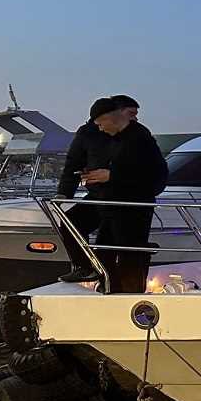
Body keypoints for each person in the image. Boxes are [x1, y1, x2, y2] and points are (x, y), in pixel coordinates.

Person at [85, 96, 168, 293]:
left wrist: (112, 176)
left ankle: (128, 293)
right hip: (115, 205)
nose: (99, 128)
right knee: (104, 250)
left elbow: (151, 173)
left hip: (133, 207)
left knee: (129, 253)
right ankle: (110, 289)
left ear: (110, 117)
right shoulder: (116, 140)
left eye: (100, 123)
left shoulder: (139, 137)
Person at [55, 99, 117, 282]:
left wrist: (114, 175)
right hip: (98, 193)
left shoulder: (132, 133)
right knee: (70, 223)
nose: (100, 127)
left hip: (122, 195)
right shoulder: (87, 133)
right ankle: (83, 267)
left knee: (108, 238)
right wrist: (65, 192)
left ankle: (108, 276)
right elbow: (74, 162)